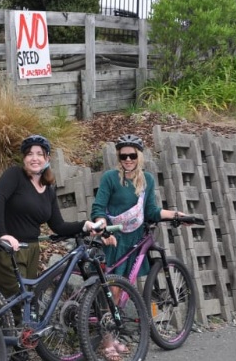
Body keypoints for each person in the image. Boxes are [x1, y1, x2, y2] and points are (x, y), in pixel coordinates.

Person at [90, 134, 184, 361]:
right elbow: (99, 208)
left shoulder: (147, 180)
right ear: (119, 157)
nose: (128, 159)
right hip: (114, 241)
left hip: (134, 240)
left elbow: (151, 210)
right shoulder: (111, 178)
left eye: (132, 155)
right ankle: (107, 343)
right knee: (112, 292)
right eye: (124, 156)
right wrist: (102, 227)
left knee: (122, 290)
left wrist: (176, 215)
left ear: (139, 156)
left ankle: (115, 337)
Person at [0, 134, 107, 302]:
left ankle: (17, 328)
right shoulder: (15, 175)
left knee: (27, 302)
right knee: (16, 301)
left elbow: (58, 226)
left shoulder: (49, 190)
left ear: (47, 158)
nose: (34, 158)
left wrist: (85, 225)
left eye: (39, 154)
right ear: (24, 158)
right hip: (8, 248)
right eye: (29, 154)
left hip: (32, 250)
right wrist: (2, 234)